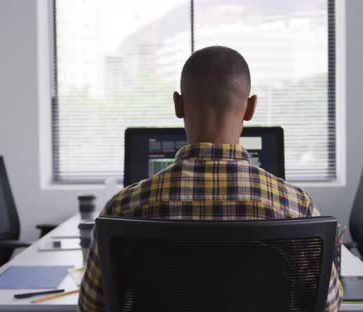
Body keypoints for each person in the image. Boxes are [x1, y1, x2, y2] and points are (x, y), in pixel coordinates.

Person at [79, 46, 343, 311]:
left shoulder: (123, 209)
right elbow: (328, 306)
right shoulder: (296, 208)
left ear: (178, 105)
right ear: (251, 108)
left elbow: (92, 306)